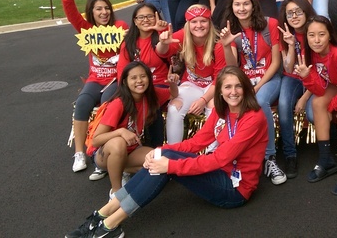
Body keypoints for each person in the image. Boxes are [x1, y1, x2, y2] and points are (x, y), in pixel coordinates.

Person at [65, 66, 268, 238]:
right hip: (220, 172)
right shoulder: (221, 110)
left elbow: (218, 159)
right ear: (220, 91)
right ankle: (102, 214)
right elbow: (197, 143)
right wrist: (161, 151)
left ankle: (110, 225)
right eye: (227, 87)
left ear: (246, 88)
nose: (233, 92)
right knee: (162, 158)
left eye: (238, 86)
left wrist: (170, 165)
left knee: (165, 167)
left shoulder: (253, 118)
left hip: (235, 189)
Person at [61, 0, 130, 177]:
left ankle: (103, 150)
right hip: (95, 79)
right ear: (91, 12)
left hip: (115, 79)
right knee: (82, 103)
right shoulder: (87, 30)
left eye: (106, 8)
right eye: (98, 9)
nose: (104, 12)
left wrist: (127, 38)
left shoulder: (121, 26)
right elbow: (72, 14)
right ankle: (80, 152)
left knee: (107, 103)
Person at [218, 0, 286, 185]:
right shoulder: (231, 28)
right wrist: (225, 44)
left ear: (253, 5)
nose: (242, 8)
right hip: (244, 81)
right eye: (237, 4)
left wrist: (257, 86)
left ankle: (270, 157)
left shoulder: (269, 24)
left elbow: (276, 62)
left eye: (245, 3)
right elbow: (232, 67)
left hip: (269, 79)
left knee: (261, 101)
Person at [293, 16, 337, 195]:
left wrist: (332, 106)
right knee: (318, 103)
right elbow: (319, 89)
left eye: (321, 35)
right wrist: (307, 77)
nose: (316, 40)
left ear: (330, 36)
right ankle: (326, 159)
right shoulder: (311, 54)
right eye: (311, 35)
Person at [155, 4, 225, 144]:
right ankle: (173, 152)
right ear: (188, 24)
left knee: (214, 109)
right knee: (174, 108)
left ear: (209, 22)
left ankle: (213, 155)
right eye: (194, 21)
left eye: (203, 21)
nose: (198, 25)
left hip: (215, 87)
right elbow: (161, 52)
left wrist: (203, 100)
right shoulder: (183, 35)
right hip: (192, 84)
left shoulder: (219, 43)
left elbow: (219, 80)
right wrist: (162, 43)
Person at [90, 61, 159, 199]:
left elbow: (171, 94)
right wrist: (121, 132)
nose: (139, 81)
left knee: (157, 159)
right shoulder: (118, 104)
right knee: (118, 143)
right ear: (125, 82)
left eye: (143, 76)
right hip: (105, 153)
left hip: (132, 150)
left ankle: (123, 169)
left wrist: (173, 83)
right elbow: (96, 140)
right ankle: (116, 191)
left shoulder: (149, 97)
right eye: (133, 78)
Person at [117, 3, 174, 147]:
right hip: (134, 85)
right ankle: (115, 149)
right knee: (111, 101)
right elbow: (122, 71)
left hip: (159, 83)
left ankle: (156, 148)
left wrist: (162, 33)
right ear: (135, 21)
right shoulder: (129, 43)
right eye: (141, 17)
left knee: (150, 101)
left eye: (149, 16)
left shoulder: (164, 37)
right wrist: (123, 91)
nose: (146, 20)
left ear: (157, 18)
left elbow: (166, 51)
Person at [275, 0, 317, 178]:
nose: (294, 16)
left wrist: (305, 96)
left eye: (298, 11)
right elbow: (288, 68)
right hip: (292, 78)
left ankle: (327, 147)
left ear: (307, 12)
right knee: (284, 105)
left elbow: (322, 71)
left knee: (312, 113)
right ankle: (290, 154)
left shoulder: (316, 31)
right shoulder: (284, 33)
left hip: (315, 79)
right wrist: (291, 45)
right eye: (289, 13)